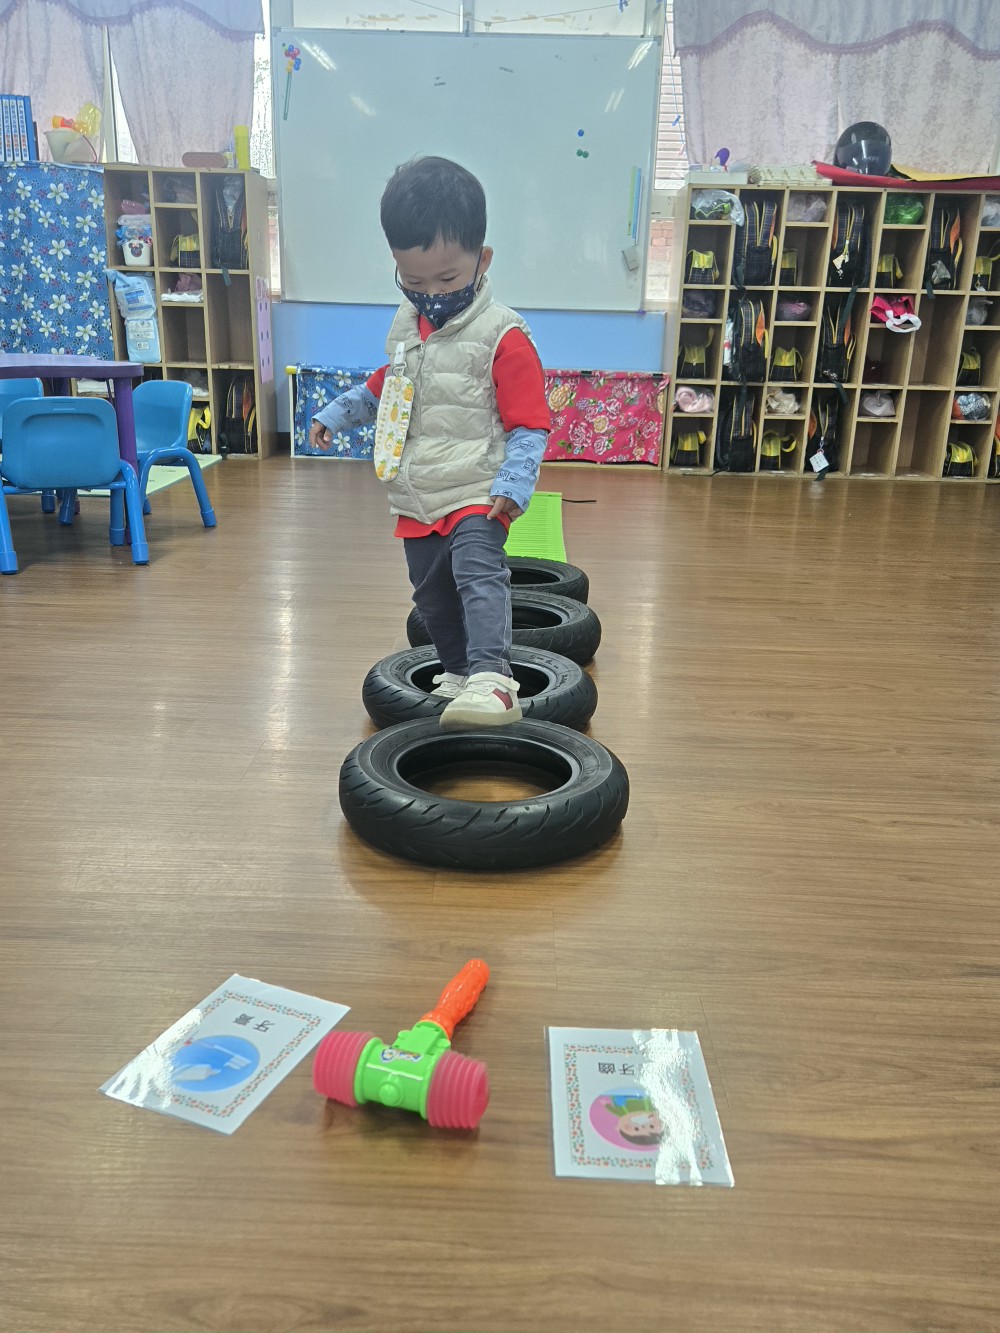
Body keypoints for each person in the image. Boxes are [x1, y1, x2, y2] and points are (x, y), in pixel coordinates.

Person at [309, 156, 550, 728]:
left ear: (482, 260)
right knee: (431, 595)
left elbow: (531, 422)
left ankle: (493, 679)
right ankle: (460, 672)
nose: (431, 294)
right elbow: (388, 382)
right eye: (413, 282)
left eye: (446, 280)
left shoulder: (503, 335)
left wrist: (515, 482)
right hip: (417, 492)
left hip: (477, 487)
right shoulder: (406, 324)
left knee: (477, 575)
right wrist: (337, 414)